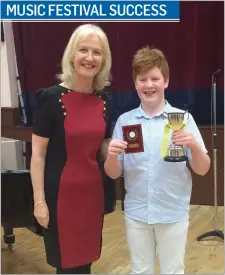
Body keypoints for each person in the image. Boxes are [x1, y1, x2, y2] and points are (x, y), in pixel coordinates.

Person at [104, 47, 210, 274]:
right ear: (135, 84)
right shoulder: (125, 122)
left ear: (166, 81)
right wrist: (111, 155)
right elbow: (113, 173)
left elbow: (202, 169)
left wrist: (193, 145)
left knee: (172, 270)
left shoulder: (183, 120)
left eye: (155, 78)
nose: (149, 85)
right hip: (137, 213)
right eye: (143, 79)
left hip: (172, 211)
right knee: (140, 271)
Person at [30, 23, 114, 274]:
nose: (89, 58)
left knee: (85, 263)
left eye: (97, 52)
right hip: (60, 198)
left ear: (104, 59)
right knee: (66, 266)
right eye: (83, 50)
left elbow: (102, 149)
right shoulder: (51, 98)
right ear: (71, 55)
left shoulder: (105, 100)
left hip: (92, 195)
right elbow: (38, 154)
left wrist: (120, 148)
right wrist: (39, 202)